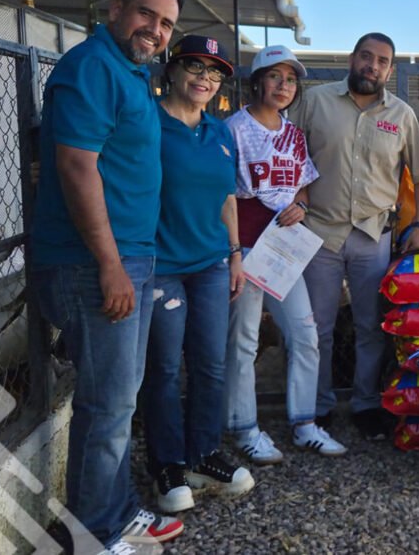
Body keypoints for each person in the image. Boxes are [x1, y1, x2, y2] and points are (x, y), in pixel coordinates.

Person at [30, 0, 185, 552]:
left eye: (166, 24)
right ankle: (93, 533)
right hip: (93, 263)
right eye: (147, 14)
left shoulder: (130, 72)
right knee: (107, 404)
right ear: (116, 9)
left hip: (130, 258)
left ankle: (115, 513)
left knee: (119, 400)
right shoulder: (93, 65)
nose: (156, 30)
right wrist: (111, 263)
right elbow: (77, 166)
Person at [288, 32, 419, 441]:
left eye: (382, 61)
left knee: (370, 325)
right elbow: (289, 152)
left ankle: (367, 403)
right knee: (317, 327)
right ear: (352, 59)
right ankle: (317, 406)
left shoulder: (401, 115)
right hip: (319, 232)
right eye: (366, 56)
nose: (373, 65)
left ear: (390, 69)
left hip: (373, 236)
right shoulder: (315, 102)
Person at [140, 35, 254, 513]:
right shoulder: (148, 121)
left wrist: (235, 254)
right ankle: (167, 465)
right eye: (194, 66)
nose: (205, 77)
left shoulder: (219, 131)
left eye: (215, 71)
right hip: (161, 265)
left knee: (210, 363)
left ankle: (203, 455)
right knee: (165, 368)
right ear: (171, 69)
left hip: (210, 263)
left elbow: (227, 198)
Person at [223, 46, 347, 462]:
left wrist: (302, 205)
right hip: (246, 242)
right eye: (274, 76)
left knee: (304, 333)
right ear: (257, 81)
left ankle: (304, 424)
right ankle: (244, 427)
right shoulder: (234, 128)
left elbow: (303, 184)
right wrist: (233, 249)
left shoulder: (293, 133)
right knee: (244, 340)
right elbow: (223, 193)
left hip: (282, 246)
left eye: (291, 79)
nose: (283, 85)